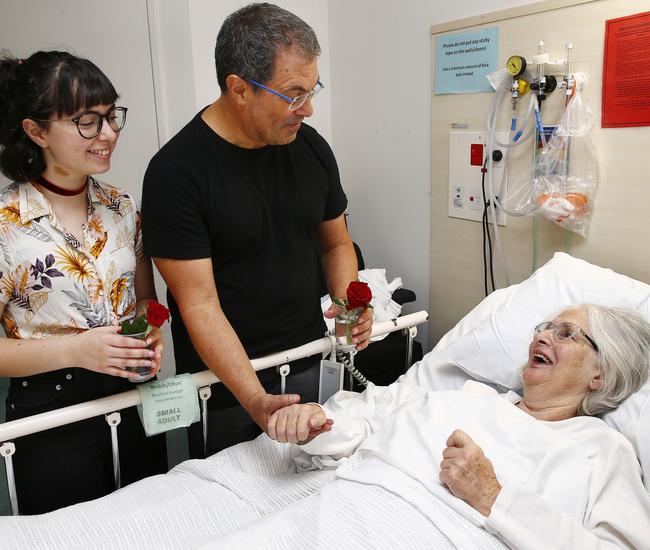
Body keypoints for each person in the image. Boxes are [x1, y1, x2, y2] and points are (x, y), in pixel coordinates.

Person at [141, 3, 372, 457]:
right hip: (227, 384)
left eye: (312, 90)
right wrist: (255, 401)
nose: (307, 109)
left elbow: (336, 242)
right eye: (293, 94)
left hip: (310, 358)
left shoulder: (310, 148)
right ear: (239, 89)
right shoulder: (176, 173)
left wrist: (349, 301)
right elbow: (199, 304)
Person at [269, 304, 650, 548]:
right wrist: (317, 427)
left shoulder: (602, 450)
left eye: (566, 333)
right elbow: (365, 426)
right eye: (545, 326)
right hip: (332, 513)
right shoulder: (468, 396)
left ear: (600, 374)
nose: (542, 335)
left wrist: (494, 496)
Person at [0, 50, 167, 514]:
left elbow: (144, 300)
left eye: (111, 117)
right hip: (50, 417)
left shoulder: (121, 207)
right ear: (36, 131)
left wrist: (150, 332)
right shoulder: (5, 223)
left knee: (150, 526)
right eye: (86, 121)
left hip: (131, 401)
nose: (108, 134)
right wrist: (76, 349)